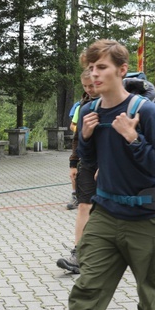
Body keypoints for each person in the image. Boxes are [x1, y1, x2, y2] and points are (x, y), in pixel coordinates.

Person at [38, 40, 155, 310]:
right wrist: (86, 138)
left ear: (120, 69)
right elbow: (91, 163)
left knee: (152, 293)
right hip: (105, 214)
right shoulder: (91, 112)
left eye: (100, 67)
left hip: (147, 218)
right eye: (89, 68)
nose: (93, 73)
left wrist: (134, 138)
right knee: (86, 290)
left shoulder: (142, 111)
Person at [57, 68, 98, 274]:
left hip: (110, 166)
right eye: (85, 86)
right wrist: (73, 164)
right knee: (84, 206)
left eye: (92, 85)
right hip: (87, 165)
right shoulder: (84, 106)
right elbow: (77, 139)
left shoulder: (115, 103)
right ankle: (79, 254)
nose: (90, 89)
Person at [64, 101, 81, 209]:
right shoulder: (81, 106)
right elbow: (72, 126)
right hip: (81, 146)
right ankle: (75, 196)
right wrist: (81, 129)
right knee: (75, 172)